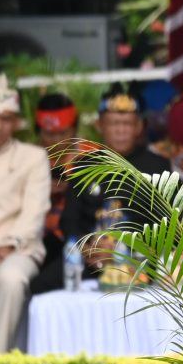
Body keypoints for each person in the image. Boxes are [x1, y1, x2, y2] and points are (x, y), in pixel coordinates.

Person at [66, 84, 172, 280]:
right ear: (99, 125)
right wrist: (86, 247)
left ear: (139, 126)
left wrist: (123, 250)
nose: (121, 131)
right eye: (114, 124)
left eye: (128, 124)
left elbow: (168, 225)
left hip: (141, 260)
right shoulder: (83, 165)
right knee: (41, 285)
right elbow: (69, 219)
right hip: (88, 259)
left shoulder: (158, 166)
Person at [0, 76, 51, 351]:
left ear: (16, 122)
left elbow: (33, 217)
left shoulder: (33, 157)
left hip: (18, 249)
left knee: (11, 280)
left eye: (6, 118)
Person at [28, 92, 89, 294]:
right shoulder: (25, 159)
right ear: (38, 132)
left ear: (74, 130)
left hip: (78, 241)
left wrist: (73, 190)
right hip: (35, 241)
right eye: (49, 134)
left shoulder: (91, 156)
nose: (56, 141)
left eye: (63, 133)